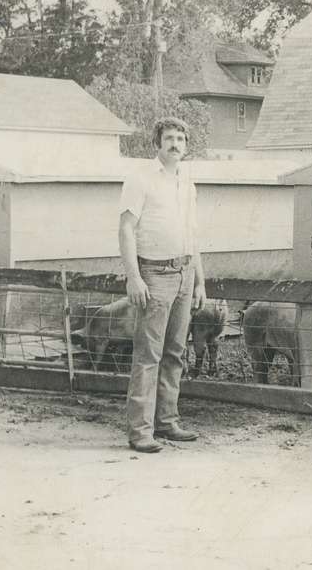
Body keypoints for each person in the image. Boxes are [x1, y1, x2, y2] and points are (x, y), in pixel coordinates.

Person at [118, 116, 206, 453]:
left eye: (181, 139)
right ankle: (140, 431)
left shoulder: (187, 183)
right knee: (148, 354)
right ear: (157, 143)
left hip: (184, 273)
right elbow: (126, 228)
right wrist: (134, 276)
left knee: (175, 352)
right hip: (154, 274)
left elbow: (193, 235)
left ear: (186, 146)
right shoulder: (141, 179)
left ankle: (167, 421)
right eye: (169, 138)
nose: (175, 144)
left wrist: (199, 281)